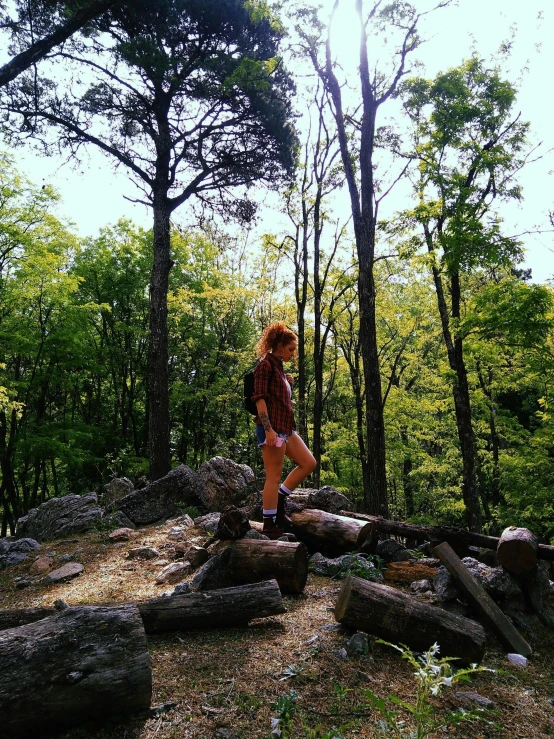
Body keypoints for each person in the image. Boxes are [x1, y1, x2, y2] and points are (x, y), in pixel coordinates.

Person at [251, 321, 317, 539]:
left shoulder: (278, 369)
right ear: (279, 346)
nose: (293, 354)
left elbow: (280, 398)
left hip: (286, 428)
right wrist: (268, 430)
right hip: (272, 430)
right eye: (290, 349)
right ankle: (269, 523)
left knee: (309, 463)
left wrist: (287, 383)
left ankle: (280, 501)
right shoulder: (265, 366)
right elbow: (260, 399)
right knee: (273, 476)